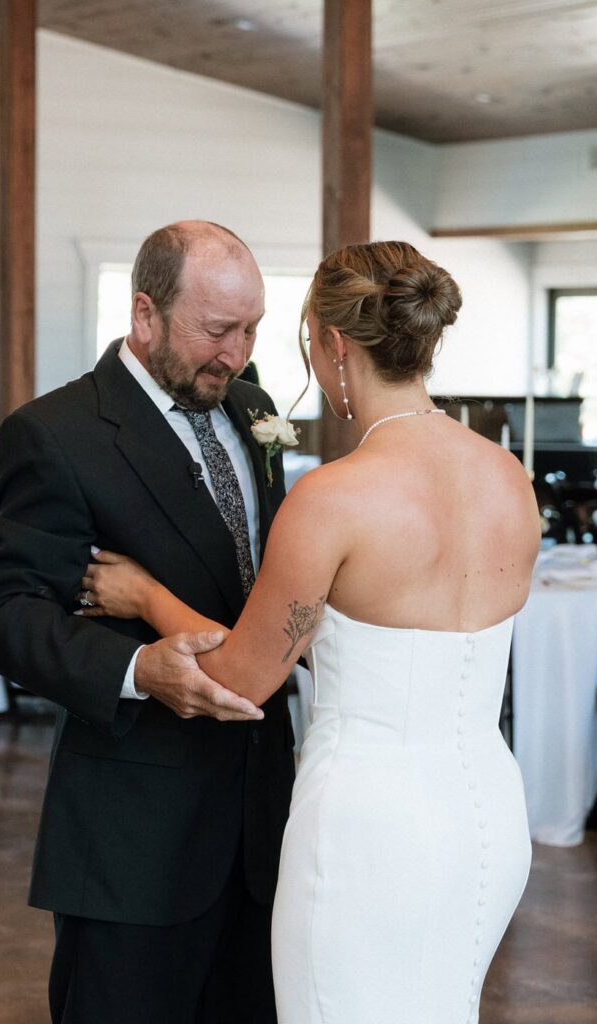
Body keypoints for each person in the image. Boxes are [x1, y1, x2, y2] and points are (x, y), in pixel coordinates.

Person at [78, 240, 541, 1024]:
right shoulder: (507, 477)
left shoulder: (335, 498)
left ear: (331, 344)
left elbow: (241, 679)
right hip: (489, 817)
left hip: (369, 831)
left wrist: (146, 595)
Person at [0, 221, 296, 1024]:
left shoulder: (251, 407)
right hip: (134, 837)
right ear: (145, 314)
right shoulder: (55, 434)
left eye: (252, 328)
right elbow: (7, 616)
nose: (237, 353)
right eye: (218, 330)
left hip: (265, 828)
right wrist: (136, 671)